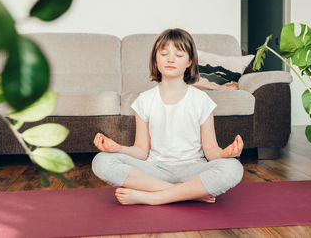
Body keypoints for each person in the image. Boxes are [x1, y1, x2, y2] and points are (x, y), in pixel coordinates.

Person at [92, 28, 244, 205]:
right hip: (155, 168)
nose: (171, 59)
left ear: (189, 62)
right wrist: (118, 148)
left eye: (179, 55)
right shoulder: (144, 100)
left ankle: (155, 197)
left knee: (233, 168)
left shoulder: (202, 100)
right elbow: (141, 151)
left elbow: (211, 151)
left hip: (193, 168)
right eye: (164, 54)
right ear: (156, 59)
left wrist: (226, 153)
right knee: (101, 161)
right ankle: (189, 192)